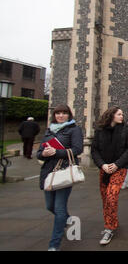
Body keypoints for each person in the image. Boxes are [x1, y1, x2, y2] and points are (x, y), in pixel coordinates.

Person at [37, 104, 83, 251]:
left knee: (59, 208)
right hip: (48, 173)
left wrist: (56, 152)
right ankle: (68, 219)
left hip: (63, 171)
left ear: (69, 115)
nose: (61, 116)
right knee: (49, 206)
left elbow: (77, 149)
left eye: (64, 113)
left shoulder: (74, 129)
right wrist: (43, 154)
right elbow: (39, 153)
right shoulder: (49, 130)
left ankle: (54, 245)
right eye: (58, 113)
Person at [91, 107, 128, 245]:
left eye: (122, 114)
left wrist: (117, 164)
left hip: (119, 168)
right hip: (104, 168)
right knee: (105, 198)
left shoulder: (125, 130)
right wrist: (102, 165)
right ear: (112, 115)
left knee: (111, 195)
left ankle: (109, 228)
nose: (122, 116)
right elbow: (94, 150)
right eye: (119, 114)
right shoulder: (100, 130)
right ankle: (112, 221)